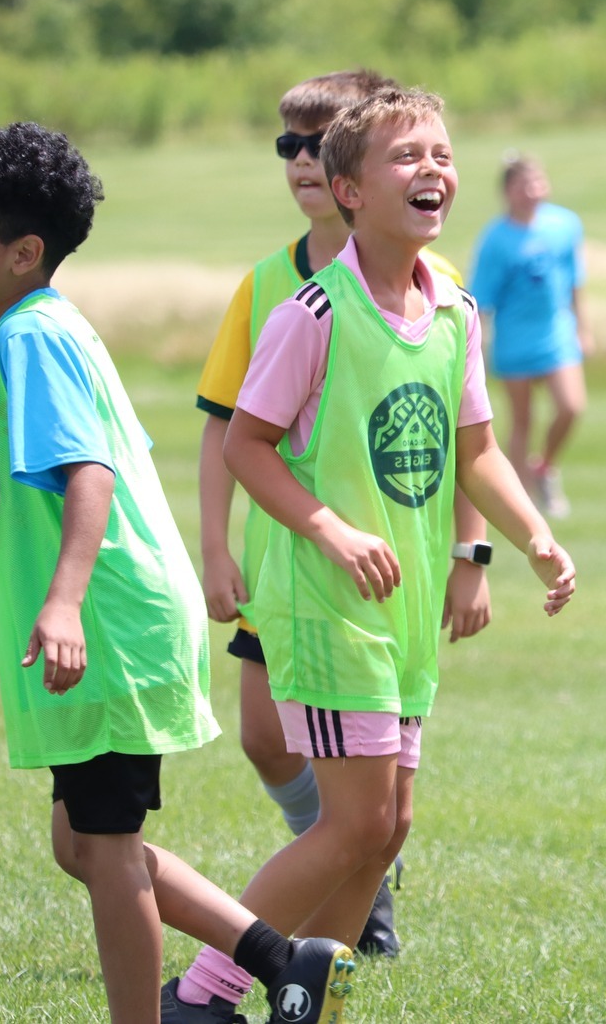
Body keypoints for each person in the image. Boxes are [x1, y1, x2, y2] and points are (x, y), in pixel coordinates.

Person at [0, 122, 357, 1024]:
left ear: (23, 252)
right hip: (123, 618)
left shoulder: (34, 337)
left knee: (108, 849)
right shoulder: (46, 325)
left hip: (111, 624)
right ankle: (282, 959)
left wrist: (65, 603)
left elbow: (90, 471)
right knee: (80, 842)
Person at [168, 88, 577, 1023]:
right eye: (406, 156)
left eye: (441, 152)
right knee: (353, 822)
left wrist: (534, 538)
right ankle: (206, 992)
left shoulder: (455, 312)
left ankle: (315, 999)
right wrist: (328, 528)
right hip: (326, 602)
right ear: (347, 190)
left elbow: (477, 449)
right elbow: (245, 443)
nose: (432, 168)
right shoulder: (312, 312)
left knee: (386, 827)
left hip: (404, 614)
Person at [195, 69, 494, 958]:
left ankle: (337, 914)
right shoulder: (278, 293)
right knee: (269, 740)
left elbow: (463, 436)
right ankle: (297, 904)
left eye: (315, 139)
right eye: (286, 142)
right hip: (299, 562)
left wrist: (475, 552)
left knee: (377, 816)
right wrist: (214, 545)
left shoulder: (439, 288)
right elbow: (230, 431)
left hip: (391, 577)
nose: (299, 158)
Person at [469, 153, 590, 517]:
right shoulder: (496, 239)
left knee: (571, 406)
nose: (533, 191)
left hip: (556, 332)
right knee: (522, 421)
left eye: (538, 182)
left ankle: (545, 467)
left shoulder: (565, 225)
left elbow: (575, 281)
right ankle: (521, 503)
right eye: (524, 184)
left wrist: (583, 327)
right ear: (507, 191)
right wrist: (479, 349)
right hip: (515, 338)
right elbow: (482, 299)